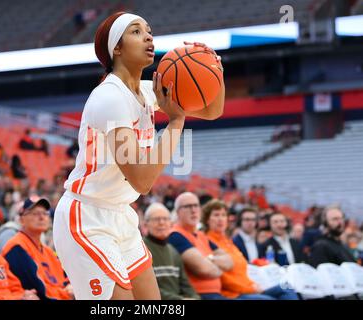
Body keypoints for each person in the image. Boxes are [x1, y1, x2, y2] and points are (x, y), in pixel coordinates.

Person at [52, 11, 225, 300]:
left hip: (121, 214)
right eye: (135, 31)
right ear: (116, 48)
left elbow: (212, 110)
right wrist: (175, 122)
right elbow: (142, 181)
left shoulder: (146, 91)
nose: (148, 36)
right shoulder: (109, 97)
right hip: (87, 218)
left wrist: (214, 69)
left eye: (148, 30)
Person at [202, 200, 298, 300]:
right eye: (216, 215)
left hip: (250, 285)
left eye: (223, 215)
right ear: (207, 220)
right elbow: (223, 278)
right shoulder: (208, 241)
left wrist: (253, 284)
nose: (220, 219)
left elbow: (242, 272)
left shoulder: (228, 242)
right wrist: (250, 288)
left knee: (287, 289)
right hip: (233, 293)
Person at [2, 197, 73, 300]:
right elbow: (37, 289)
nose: (41, 217)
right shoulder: (16, 247)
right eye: (35, 213)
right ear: (21, 220)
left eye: (45, 213)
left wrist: (71, 288)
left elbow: (64, 278)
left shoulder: (48, 251)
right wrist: (67, 294)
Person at [168, 192, 233, 300]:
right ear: (178, 212)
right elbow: (204, 269)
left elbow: (229, 261)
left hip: (216, 294)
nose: (193, 210)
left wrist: (208, 259)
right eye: (188, 206)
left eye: (196, 206)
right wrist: (219, 269)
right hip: (199, 295)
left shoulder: (201, 235)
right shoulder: (175, 235)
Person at [143, 203, 199, 300]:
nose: (161, 223)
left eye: (165, 219)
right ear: (146, 224)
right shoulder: (141, 249)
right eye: (156, 219)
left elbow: (186, 285)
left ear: (171, 224)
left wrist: (195, 298)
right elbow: (146, 288)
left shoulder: (174, 251)